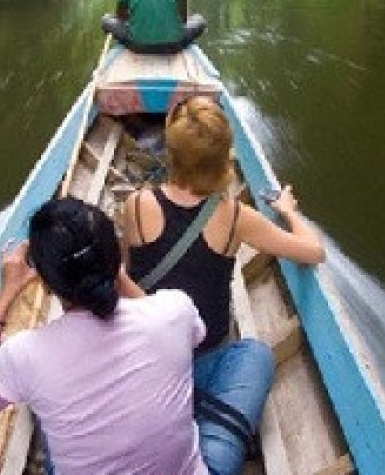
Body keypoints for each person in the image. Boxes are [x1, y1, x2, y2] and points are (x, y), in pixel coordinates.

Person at [119, 95, 326, 475]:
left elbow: (128, 277)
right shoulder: (234, 216)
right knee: (256, 355)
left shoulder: (136, 204)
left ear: (171, 153)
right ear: (223, 160)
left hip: (145, 357)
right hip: (205, 354)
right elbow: (313, 252)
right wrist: (289, 212)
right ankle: (211, 449)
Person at [0, 197, 209, 475]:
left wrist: (6, 295)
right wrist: (115, 275)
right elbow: (196, 336)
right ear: (117, 256)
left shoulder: (25, 355)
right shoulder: (174, 309)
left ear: (48, 284)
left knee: (50, 421)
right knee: (250, 355)